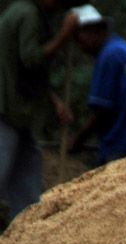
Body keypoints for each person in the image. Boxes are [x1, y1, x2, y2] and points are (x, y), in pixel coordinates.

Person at [0, 0, 76, 222]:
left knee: (28, 176)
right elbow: (32, 59)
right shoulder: (29, 14)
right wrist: (64, 36)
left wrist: (54, 103)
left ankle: (27, 239)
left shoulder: (27, 12)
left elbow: (23, 71)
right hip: (6, 112)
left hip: (18, 114)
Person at [66, 6, 126, 165]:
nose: (80, 47)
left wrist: (77, 139)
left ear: (94, 31)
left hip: (121, 146)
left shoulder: (109, 55)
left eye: (79, 40)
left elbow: (102, 110)